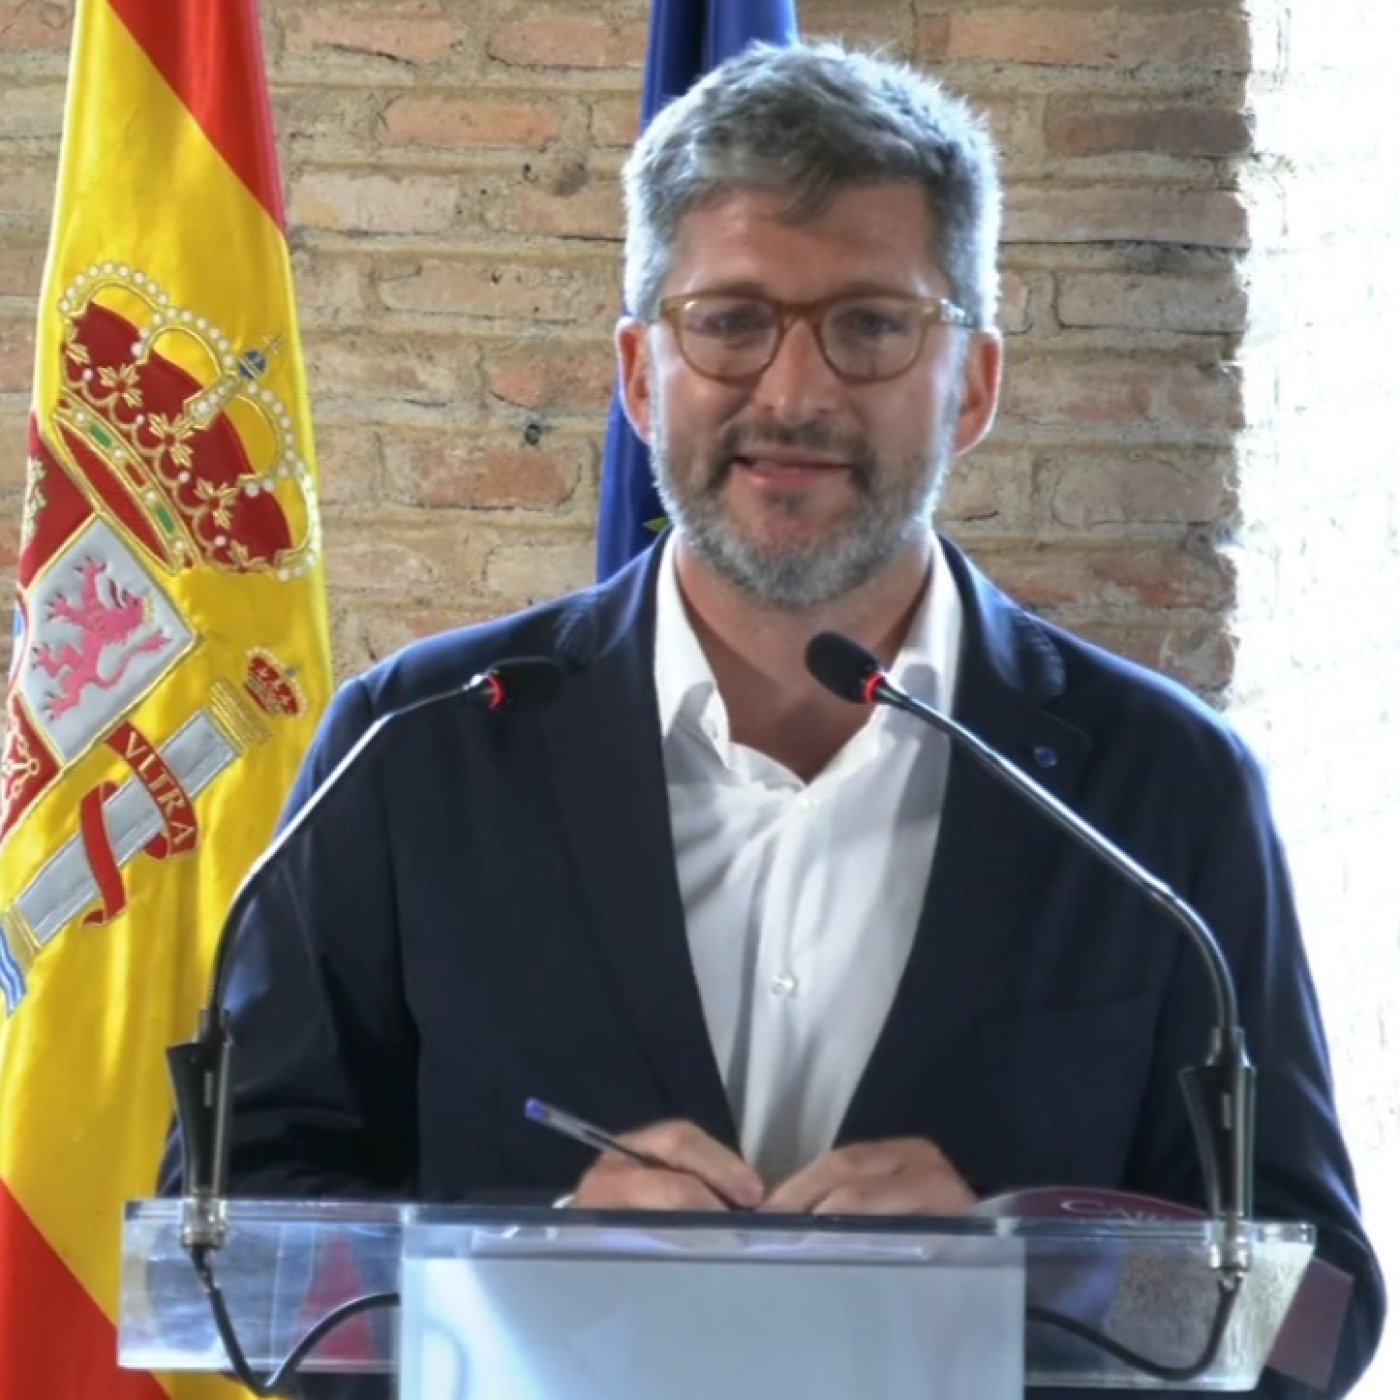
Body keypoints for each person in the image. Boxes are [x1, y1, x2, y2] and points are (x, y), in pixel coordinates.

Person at [168, 40, 1384, 1396]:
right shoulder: (417, 745)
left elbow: (1316, 1311)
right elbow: (236, 1250)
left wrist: (1025, 1277)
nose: (794, 395)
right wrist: (535, 1258)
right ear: (640, 374)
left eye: (871, 325)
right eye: (731, 321)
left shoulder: (1163, 785)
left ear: (975, 382)